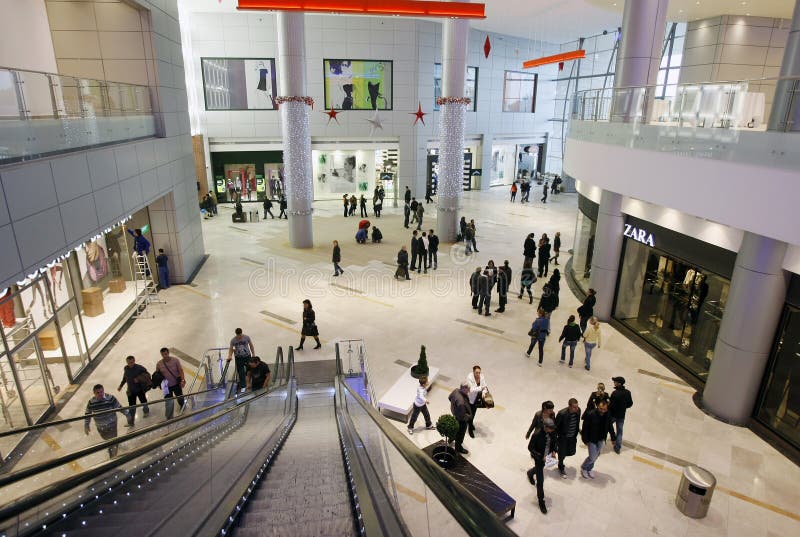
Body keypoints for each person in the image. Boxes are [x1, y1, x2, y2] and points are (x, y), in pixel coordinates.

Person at [526, 417, 556, 514]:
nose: (552, 430)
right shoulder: (537, 434)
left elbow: (554, 442)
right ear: (545, 427)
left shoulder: (552, 432)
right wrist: (539, 456)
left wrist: (554, 451)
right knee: (540, 481)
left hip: (547, 457)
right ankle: (541, 501)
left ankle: (530, 473)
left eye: (552, 428)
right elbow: (530, 447)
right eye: (550, 428)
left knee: (539, 469)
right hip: (539, 458)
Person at [85, 384, 124, 457]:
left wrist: (127, 414)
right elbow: (87, 414)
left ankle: (113, 456)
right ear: (94, 393)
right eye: (98, 393)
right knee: (106, 438)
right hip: (101, 427)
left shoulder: (110, 398)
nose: (100, 394)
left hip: (112, 424)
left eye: (101, 392)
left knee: (112, 440)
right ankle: (113, 446)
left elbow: (119, 407)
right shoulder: (91, 402)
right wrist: (86, 425)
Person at [580, 400, 616, 479]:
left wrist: (613, 438)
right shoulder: (590, 414)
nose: (602, 411)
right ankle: (584, 467)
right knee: (593, 456)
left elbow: (610, 426)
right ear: (597, 406)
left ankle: (589, 469)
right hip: (591, 439)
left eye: (604, 409)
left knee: (596, 455)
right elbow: (585, 428)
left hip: (601, 439)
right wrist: (585, 440)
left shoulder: (608, 414)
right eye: (601, 408)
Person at [117, 355, 150, 427]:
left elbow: (147, 375)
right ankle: (131, 422)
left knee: (143, 401)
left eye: (131, 362)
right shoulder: (126, 368)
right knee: (132, 407)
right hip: (131, 391)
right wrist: (121, 385)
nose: (130, 364)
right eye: (128, 363)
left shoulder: (139, 368)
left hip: (139, 389)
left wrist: (139, 378)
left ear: (134, 361)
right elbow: (125, 378)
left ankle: (146, 411)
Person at [555, 399, 581, 478]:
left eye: (577, 406)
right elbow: (556, 426)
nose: (576, 409)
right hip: (563, 438)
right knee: (562, 453)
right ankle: (561, 466)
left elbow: (577, 422)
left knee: (571, 452)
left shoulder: (578, 411)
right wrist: (556, 438)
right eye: (574, 407)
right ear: (569, 406)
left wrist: (579, 430)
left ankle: (561, 457)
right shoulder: (562, 413)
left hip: (572, 437)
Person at [156, 348, 185, 419]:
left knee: (180, 396)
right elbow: (157, 374)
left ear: (168, 353)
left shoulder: (175, 360)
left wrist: (182, 380)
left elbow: (181, 371)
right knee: (168, 401)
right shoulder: (159, 363)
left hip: (176, 383)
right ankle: (169, 416)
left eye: (166, 354)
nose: (164, 356)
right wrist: (159, 384)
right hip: (166, 386)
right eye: (163, 354)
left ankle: (182, 405)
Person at [609, 376, 633, 454]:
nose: (614, 383)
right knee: (619, 432)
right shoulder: (628, 392)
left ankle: (599, 443)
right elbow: (630, 404)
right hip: (621, 415)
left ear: (619, 383)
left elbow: (610, 406)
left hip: (613, 415)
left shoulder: (615, 393)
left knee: (606, 426)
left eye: (615, 382)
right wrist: (623, 407)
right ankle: (618, 448)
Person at [448, 382, 472, 454]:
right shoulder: (461, 401)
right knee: (461, 433)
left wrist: (454, 407)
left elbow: (449, 397)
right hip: (461, 419)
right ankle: (458, 447)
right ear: (464, 389)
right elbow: (462, 415)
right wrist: (469, 417)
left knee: (455, 428)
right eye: (468, 389)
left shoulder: (456, 390)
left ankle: (451, 439)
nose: (469, 391)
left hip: (455, 414)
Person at [466, 365, 488, 438]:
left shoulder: (482, 377)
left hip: (478, 397)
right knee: (470, 413)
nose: (478, 374)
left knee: (474, 411)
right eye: (476, 373)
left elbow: (485, 387)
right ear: (473, 372)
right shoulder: (469, 378)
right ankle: (470, 428)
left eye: (479, 372)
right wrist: (481, 388)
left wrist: (484, 393)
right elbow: (472, 390)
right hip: (471, 398)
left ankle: (471, 423)